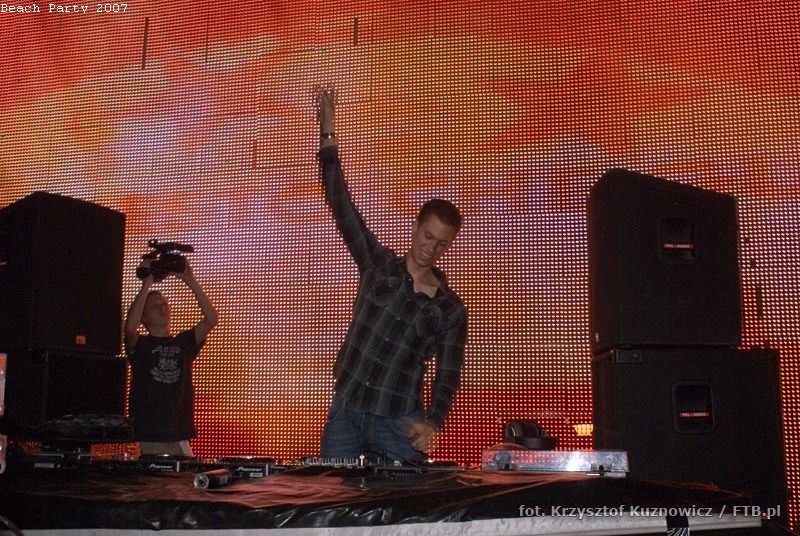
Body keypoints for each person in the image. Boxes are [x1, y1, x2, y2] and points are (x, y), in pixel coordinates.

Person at [315, 89, 468, 462]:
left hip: (400, 423)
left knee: (405, 498)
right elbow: (341, 203)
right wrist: (327, 128)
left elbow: (447, 375)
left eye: (442, 243)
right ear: (415, 227)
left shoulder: (450, 308)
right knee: (331, 493)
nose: (431, 248)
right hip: (347, 412)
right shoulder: (378, 264)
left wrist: (433, 423)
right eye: (428, 236)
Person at [123, 258, 218, 457]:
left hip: (179, 433)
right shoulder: (142, 345)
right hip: (151, 433)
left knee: (184, 476)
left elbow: (211, 319)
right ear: (144, 318)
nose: (162, 308)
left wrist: (190, 280)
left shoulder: (184, 343)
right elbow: (130, 329)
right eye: (155, 305)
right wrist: (147, 284)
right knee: (157, 476)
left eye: (165, 304)